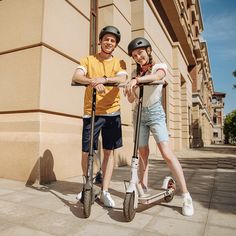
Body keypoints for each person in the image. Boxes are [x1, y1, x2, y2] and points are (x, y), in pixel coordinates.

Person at [124, 37, 194, 216]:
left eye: (140, 53)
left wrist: (137, 81)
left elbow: (158, 77)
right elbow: (132, 100)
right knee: (142, 153)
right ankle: (143, 187)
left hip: (155, 112)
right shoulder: (135, 73)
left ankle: (186, 195)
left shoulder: (158, 66)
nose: (138, 57)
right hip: (139, 113)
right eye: (134, 55)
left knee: (166, 153)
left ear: (148, 51)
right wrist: (129, 89)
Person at [72, 26, 128, 207]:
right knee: (87, 151)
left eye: (113, 41)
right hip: (92, 112)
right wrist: (92, 82)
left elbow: (122, 79)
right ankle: (87, 186)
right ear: (100, 41)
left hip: (113, 112)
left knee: (108, 153)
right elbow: (77, 75)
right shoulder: (88, 60)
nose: (109, 42)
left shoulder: (120, 63)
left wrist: (103, 79)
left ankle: (104, 190)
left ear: (115, 44)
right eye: (106, 39)